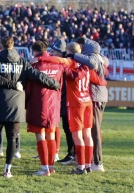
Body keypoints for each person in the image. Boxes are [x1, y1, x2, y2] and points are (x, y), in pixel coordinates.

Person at [0, 37, 60, 178]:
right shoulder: (22, 61)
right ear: (13, 45)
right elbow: (36, 75)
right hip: (16, 105)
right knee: (12, 139)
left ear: (1, 46)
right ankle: (7, 171)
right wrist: (54, 83)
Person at [33, 42, 107, 175]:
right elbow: (101, 81)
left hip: (75, 103)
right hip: (88, 102)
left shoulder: (70, 62)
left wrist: (43, 58)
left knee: (77, 136)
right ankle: (88, 165)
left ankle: (80, 167)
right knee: (87, 135)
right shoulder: (87, 66)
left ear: (69, 52)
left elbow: (58, 60)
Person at [25, 40, 65, 176]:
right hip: (54, 104)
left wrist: (26, 104)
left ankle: (44, 168)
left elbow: (28, 88)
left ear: (34, 51)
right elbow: (60, 84)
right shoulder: (57, 64)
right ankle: (51, 167)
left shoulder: (35, 66)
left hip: (39, 103)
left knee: (40, 136)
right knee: (51, 135)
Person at [73, 37, 109, 172]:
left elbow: (92, 65)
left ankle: (97, 162)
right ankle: (93, 159)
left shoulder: (92, 58)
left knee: (94, 130)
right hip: (99, 95)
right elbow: (106, 61)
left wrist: (74, 55)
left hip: (95, 96)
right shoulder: (100, 57)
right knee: (94, 129)